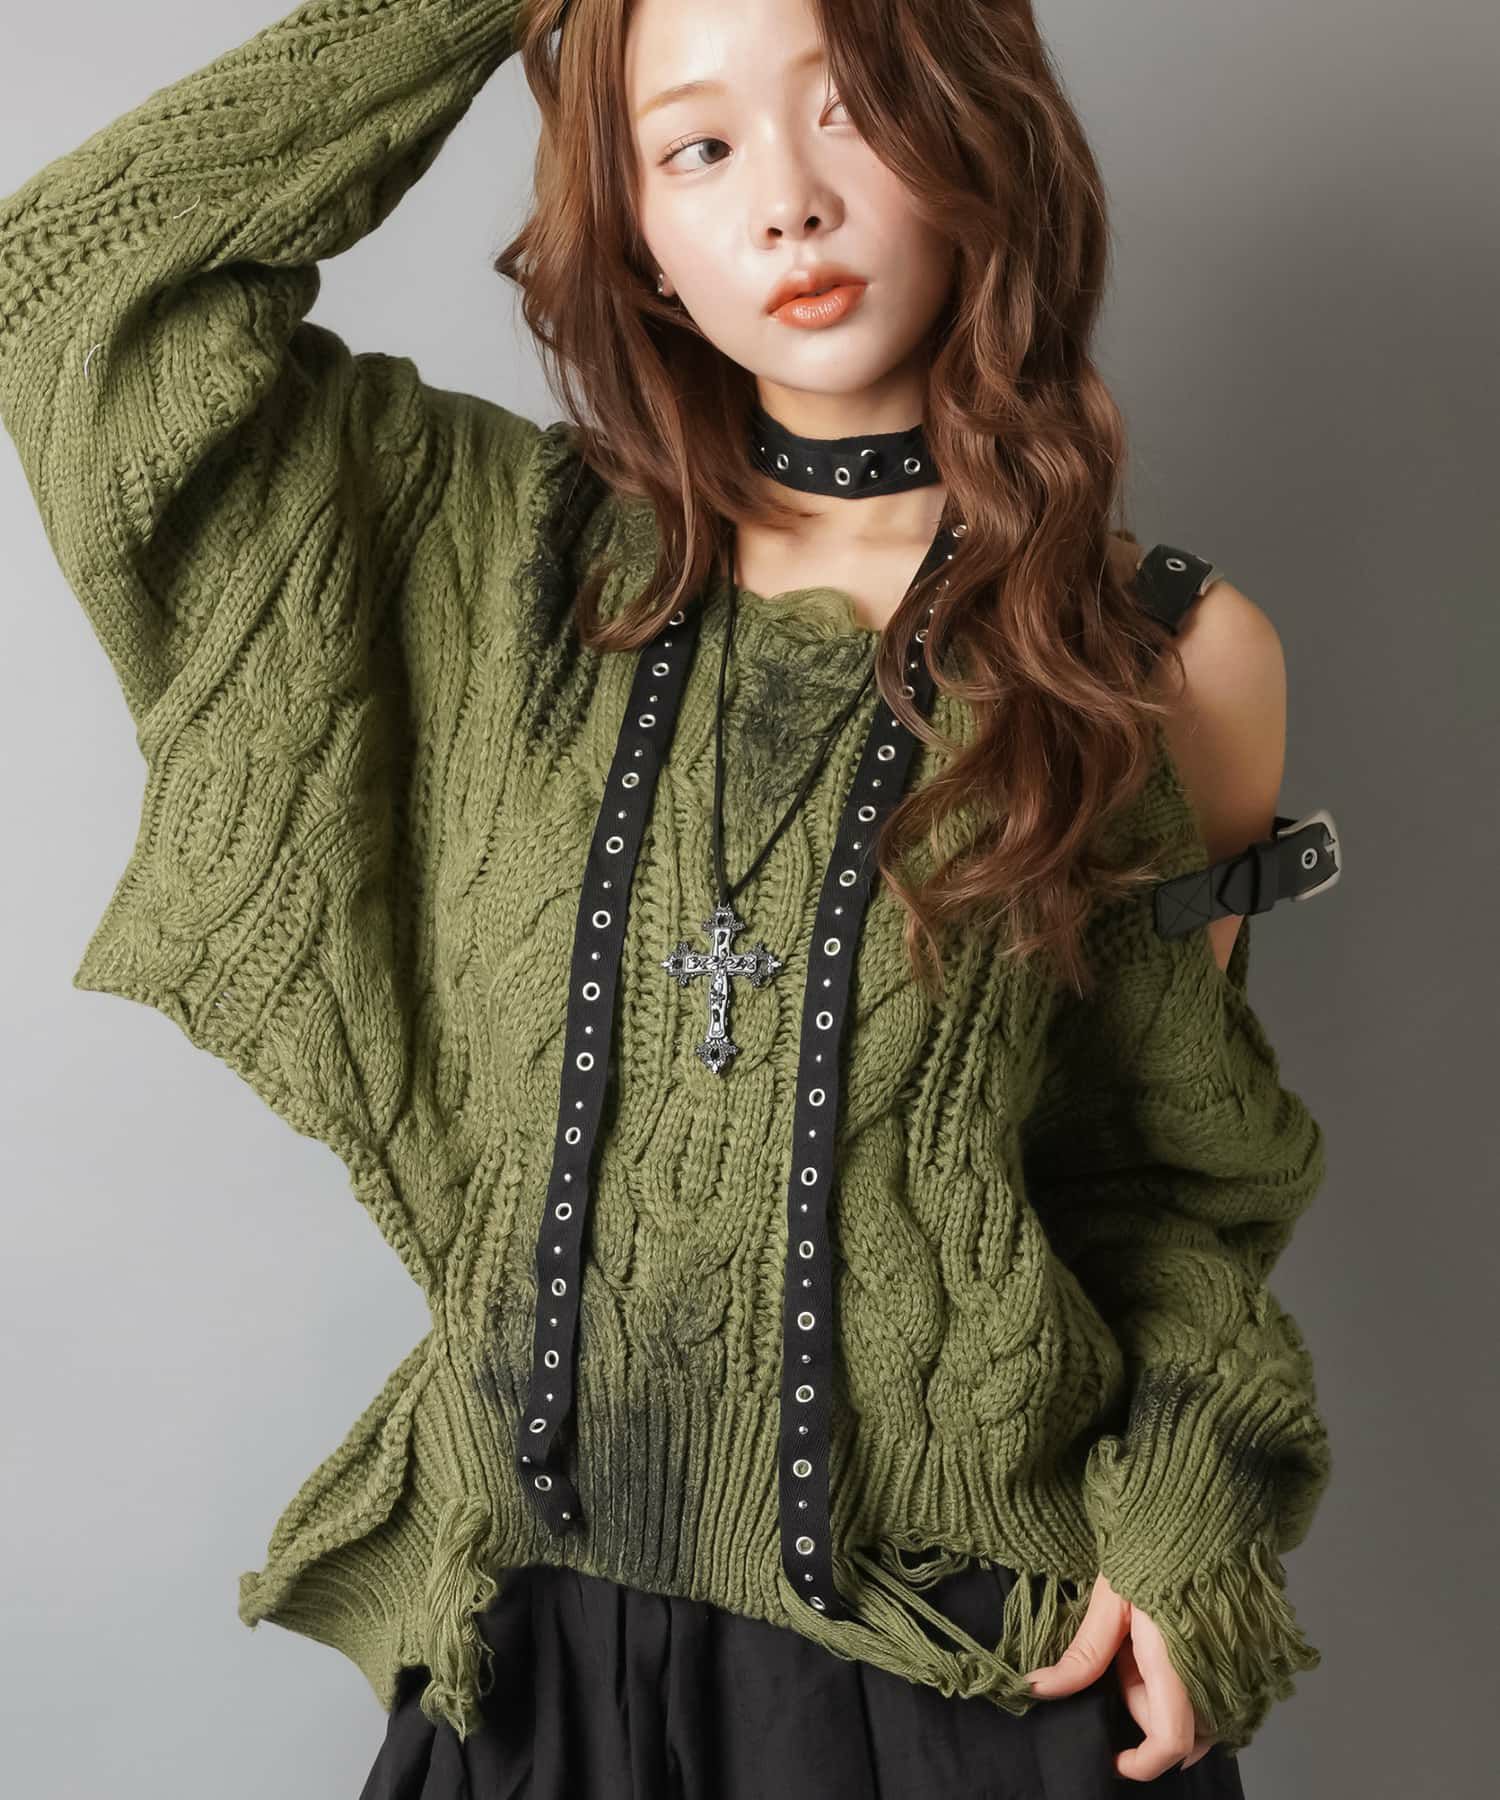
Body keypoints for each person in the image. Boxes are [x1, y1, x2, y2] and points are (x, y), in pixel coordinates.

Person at [0, 0, 1343, 1793]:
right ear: (629, 225)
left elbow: (1167, 1186)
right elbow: (76, 285)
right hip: (535, 1655)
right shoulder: (491, 560)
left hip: (963, 1669)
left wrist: (1188, 1504)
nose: (787, 201)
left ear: (973, 121)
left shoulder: (1161, 652)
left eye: (849, 109)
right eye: (695, 145)